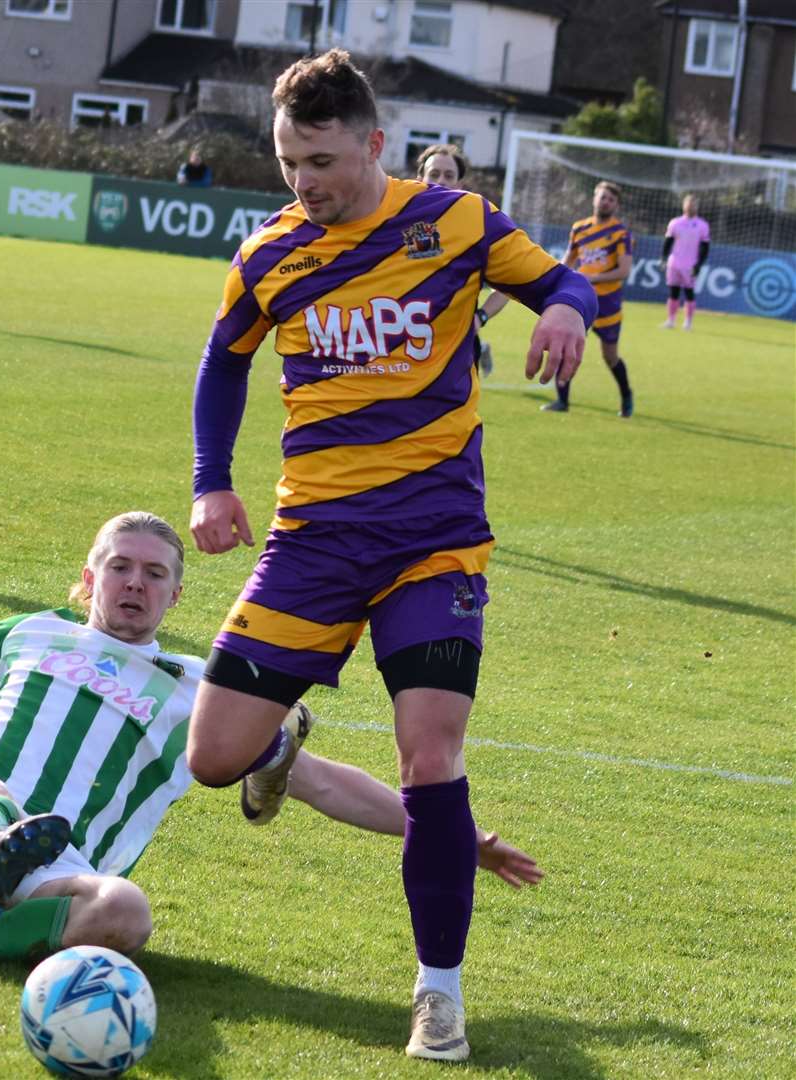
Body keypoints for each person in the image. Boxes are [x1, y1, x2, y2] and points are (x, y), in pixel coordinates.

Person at [184, 49, 592, 1063]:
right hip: (311, 542)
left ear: (373, 143)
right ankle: (278, 746)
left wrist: (558, 308)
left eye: (318, 159)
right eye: (286, 162)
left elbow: (562, 278)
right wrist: (209, 479)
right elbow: (221, 362)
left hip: (432, 542)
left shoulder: (452, 220)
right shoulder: (267, 256)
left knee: (429, 753)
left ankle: (436, 994)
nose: (303, 182)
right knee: (212, 758)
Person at [0, 512, 541, 965]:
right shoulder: (34, 634)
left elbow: (321, 782)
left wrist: (455, 836)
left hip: (62, 883)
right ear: (87, 579)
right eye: (120, 567)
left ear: (177, 598)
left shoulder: (198, 694)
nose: (135, 584)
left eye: (154, 574)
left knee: (126, 913)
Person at [415, 143, 509, 377]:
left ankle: (482, 346)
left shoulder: (476, 229)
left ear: (459, 185)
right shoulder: (396, 225)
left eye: (449, 175)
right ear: (419, 179)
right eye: (434, 174)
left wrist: (481, 317)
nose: (441, 181)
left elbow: (507, 286)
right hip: (403, 349)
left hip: (457, 354)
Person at [545, 180, 635, 416]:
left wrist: (591, 279)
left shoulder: (621, 233)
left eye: (610, 199)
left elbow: (624, 271)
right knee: (568, 348)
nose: (605, 202)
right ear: (594, 198)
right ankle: (562, 401)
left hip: (608, 303)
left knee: (610, 356)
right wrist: (555, 282)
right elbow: (568, 261)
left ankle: (626, 396)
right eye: (602, 197)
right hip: (581, 300)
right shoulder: (579, 228)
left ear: (616, 205)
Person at [661, 194, 710, 330]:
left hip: (690, 265)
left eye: (693, 204)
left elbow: (705, 247)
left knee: (689, 293)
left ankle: (688, 322)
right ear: (684, 205)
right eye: (688, 203)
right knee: (673, 292)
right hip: (674, 263)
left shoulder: (702, 225)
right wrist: (663, 258)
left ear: (697, 206)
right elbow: (668, 242)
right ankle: (671, 320)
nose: (690, 206)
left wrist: (699, 264)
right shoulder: (675, 223)